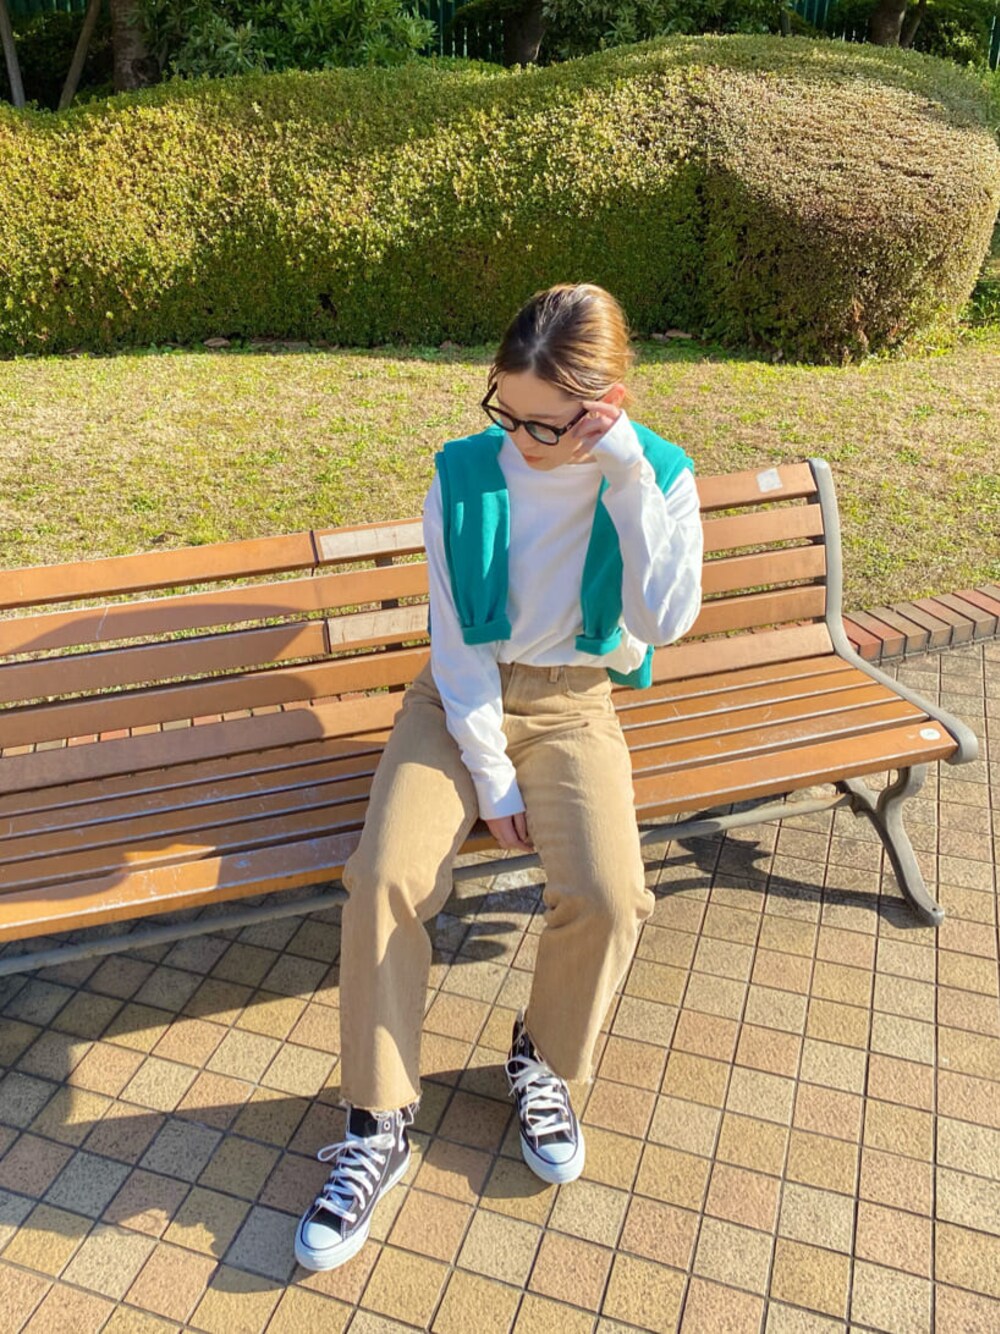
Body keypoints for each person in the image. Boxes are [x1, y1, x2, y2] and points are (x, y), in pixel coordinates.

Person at [294, 282, 704, 1272]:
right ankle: (378, 1119)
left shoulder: (655, 475)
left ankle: (543, 1059)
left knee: (611, 893)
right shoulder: (464, 475)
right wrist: (493, 776)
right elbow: (456, 646)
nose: (520, 438)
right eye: (505, 411)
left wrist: (625, 478)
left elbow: (663, 619)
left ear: (605, 405)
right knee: (384, 876)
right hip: (455, 700)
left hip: (572, 700)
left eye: (545, 424)